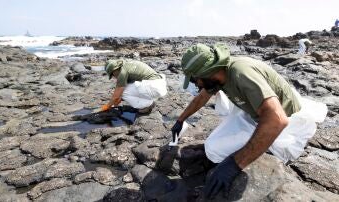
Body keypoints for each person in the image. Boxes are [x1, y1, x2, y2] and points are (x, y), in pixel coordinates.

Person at [171, 43, 327, 199]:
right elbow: (202, 97)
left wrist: (235, 164)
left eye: (194, 80)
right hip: (256, 113)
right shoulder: (219, 73)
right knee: (212, 147)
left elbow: (277, 120)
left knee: (214, 149)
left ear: (205, 73)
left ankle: (269, 150)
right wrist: (180, 120)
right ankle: (256, 145)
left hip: (287, 125)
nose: (195, 85)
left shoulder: (240, 73)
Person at [101, 59, 167, 113]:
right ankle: (148, 101)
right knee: (124, 90)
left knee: (123, 92)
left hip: (153, 86)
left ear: (114, 70)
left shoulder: (122, 72)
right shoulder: (126, 64)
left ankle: (147, 104)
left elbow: (116, 95)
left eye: (112, 75)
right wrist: (118, 100)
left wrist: (108, 106)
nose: (114, 77)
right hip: (159, 84)